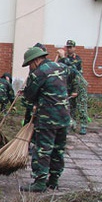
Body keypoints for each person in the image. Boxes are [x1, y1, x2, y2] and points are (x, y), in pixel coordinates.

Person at [20, 45, 70, 192]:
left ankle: (40, 182)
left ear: (35, 61)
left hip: (48, 118)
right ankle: (54, 180)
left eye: (29, 64)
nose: (30, 67)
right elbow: (73, 77)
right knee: (58, 149)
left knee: (43, 150)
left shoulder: (38, 73)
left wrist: (27, 95)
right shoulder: (61, 67)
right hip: (64, 116)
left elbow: (29, 96)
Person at [57, 48, 90, 135]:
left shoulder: (76, 60)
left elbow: (74, 74)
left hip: (79, 85)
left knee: (81, 106)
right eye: (67, 47)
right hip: (70, 85)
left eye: (71, 47)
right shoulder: (63, 62)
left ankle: (83, 125)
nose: (69, 49)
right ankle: (72, 125)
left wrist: (75, 91)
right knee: (71, 106)